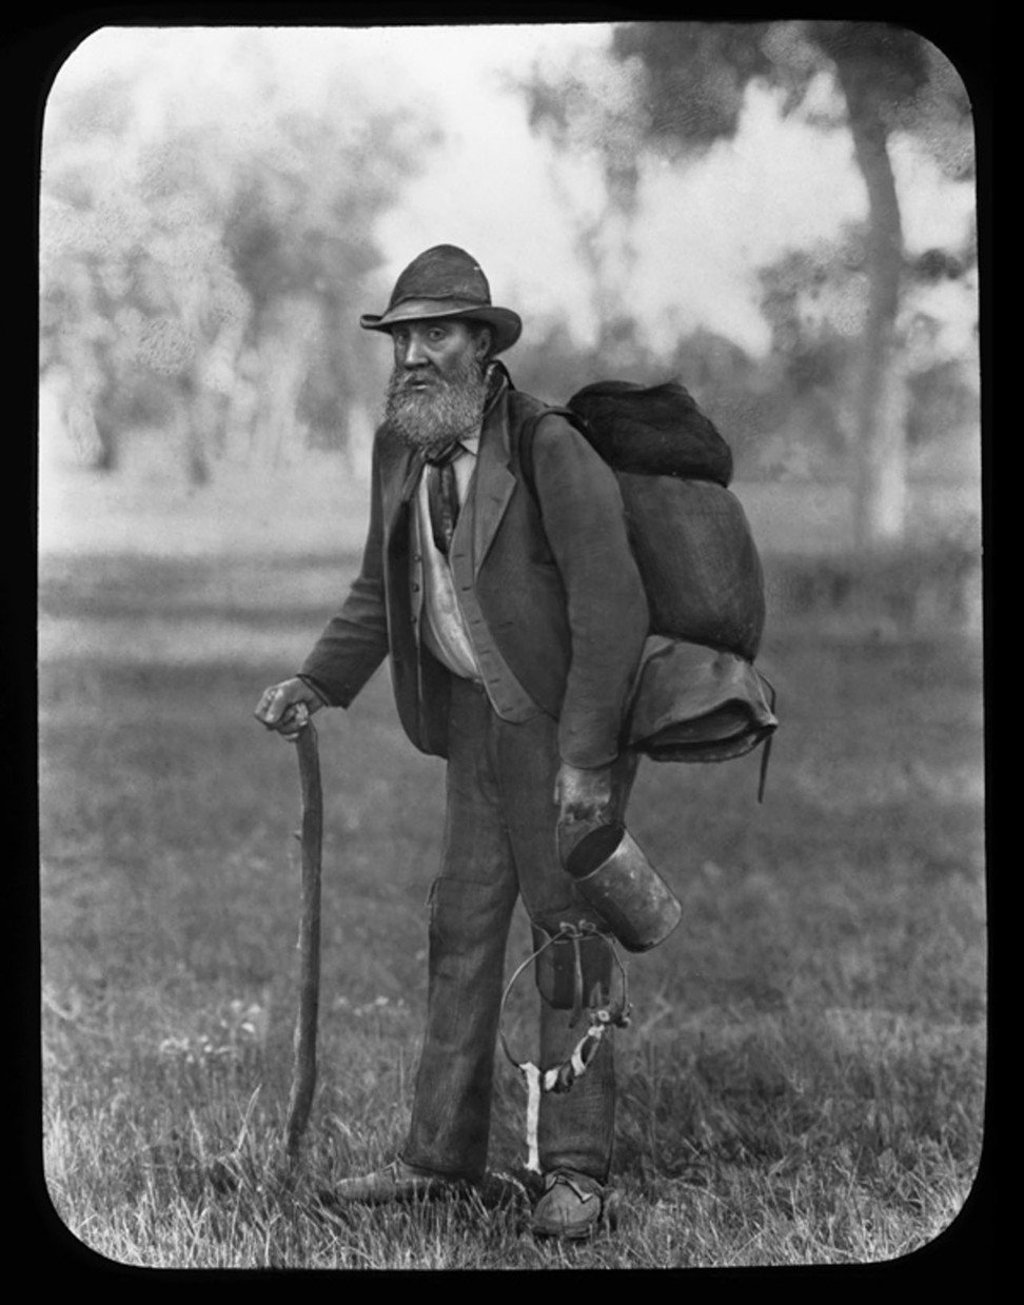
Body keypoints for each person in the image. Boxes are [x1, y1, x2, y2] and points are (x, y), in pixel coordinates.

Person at [255, 244, 649, 1239]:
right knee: (460, 932)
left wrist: (587, 760)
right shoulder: (400, 446)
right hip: (474, 723)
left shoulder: (549, 447)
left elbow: (613, 608)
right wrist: (315, 681)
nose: (414, 357)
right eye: (401, 338)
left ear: (482, 342)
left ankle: (576, 1173)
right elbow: (376, 593)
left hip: (561, 728)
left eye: (436, 334)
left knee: (567, 944)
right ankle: (439, 1158)